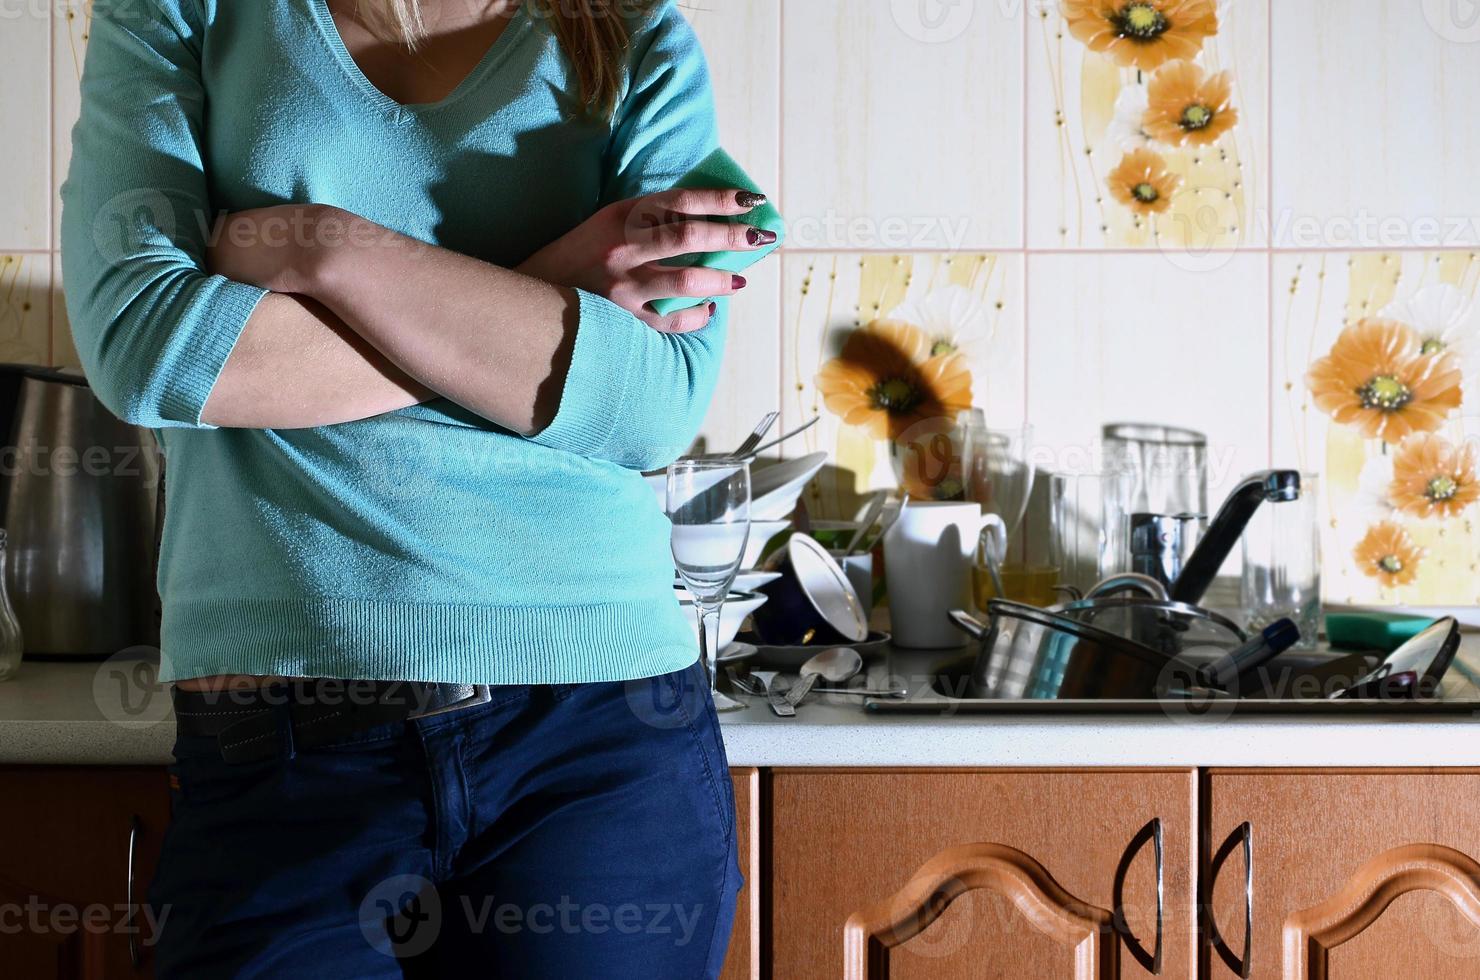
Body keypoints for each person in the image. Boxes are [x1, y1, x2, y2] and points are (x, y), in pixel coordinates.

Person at [60, 0, 772, 975]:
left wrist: (330, 249)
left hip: (594, 733)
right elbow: (151, 349)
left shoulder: (631, 29)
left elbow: (651, 400)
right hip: (282, 752)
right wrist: (547, 286)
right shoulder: (179, 11)